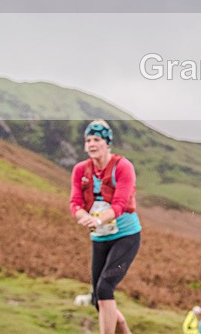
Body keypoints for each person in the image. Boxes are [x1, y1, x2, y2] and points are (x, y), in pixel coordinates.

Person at [69, 120, 141, 334]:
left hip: (126, 236)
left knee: (104, 288)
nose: (91, 144)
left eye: (96, 139)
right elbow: (75, 203)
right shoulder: (80, 170)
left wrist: (98, 220)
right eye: (88, 140)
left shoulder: (123, 167)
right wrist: (82, 216)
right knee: (97, 299)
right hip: (99, 239)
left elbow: (119, 205)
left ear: (107, 143)